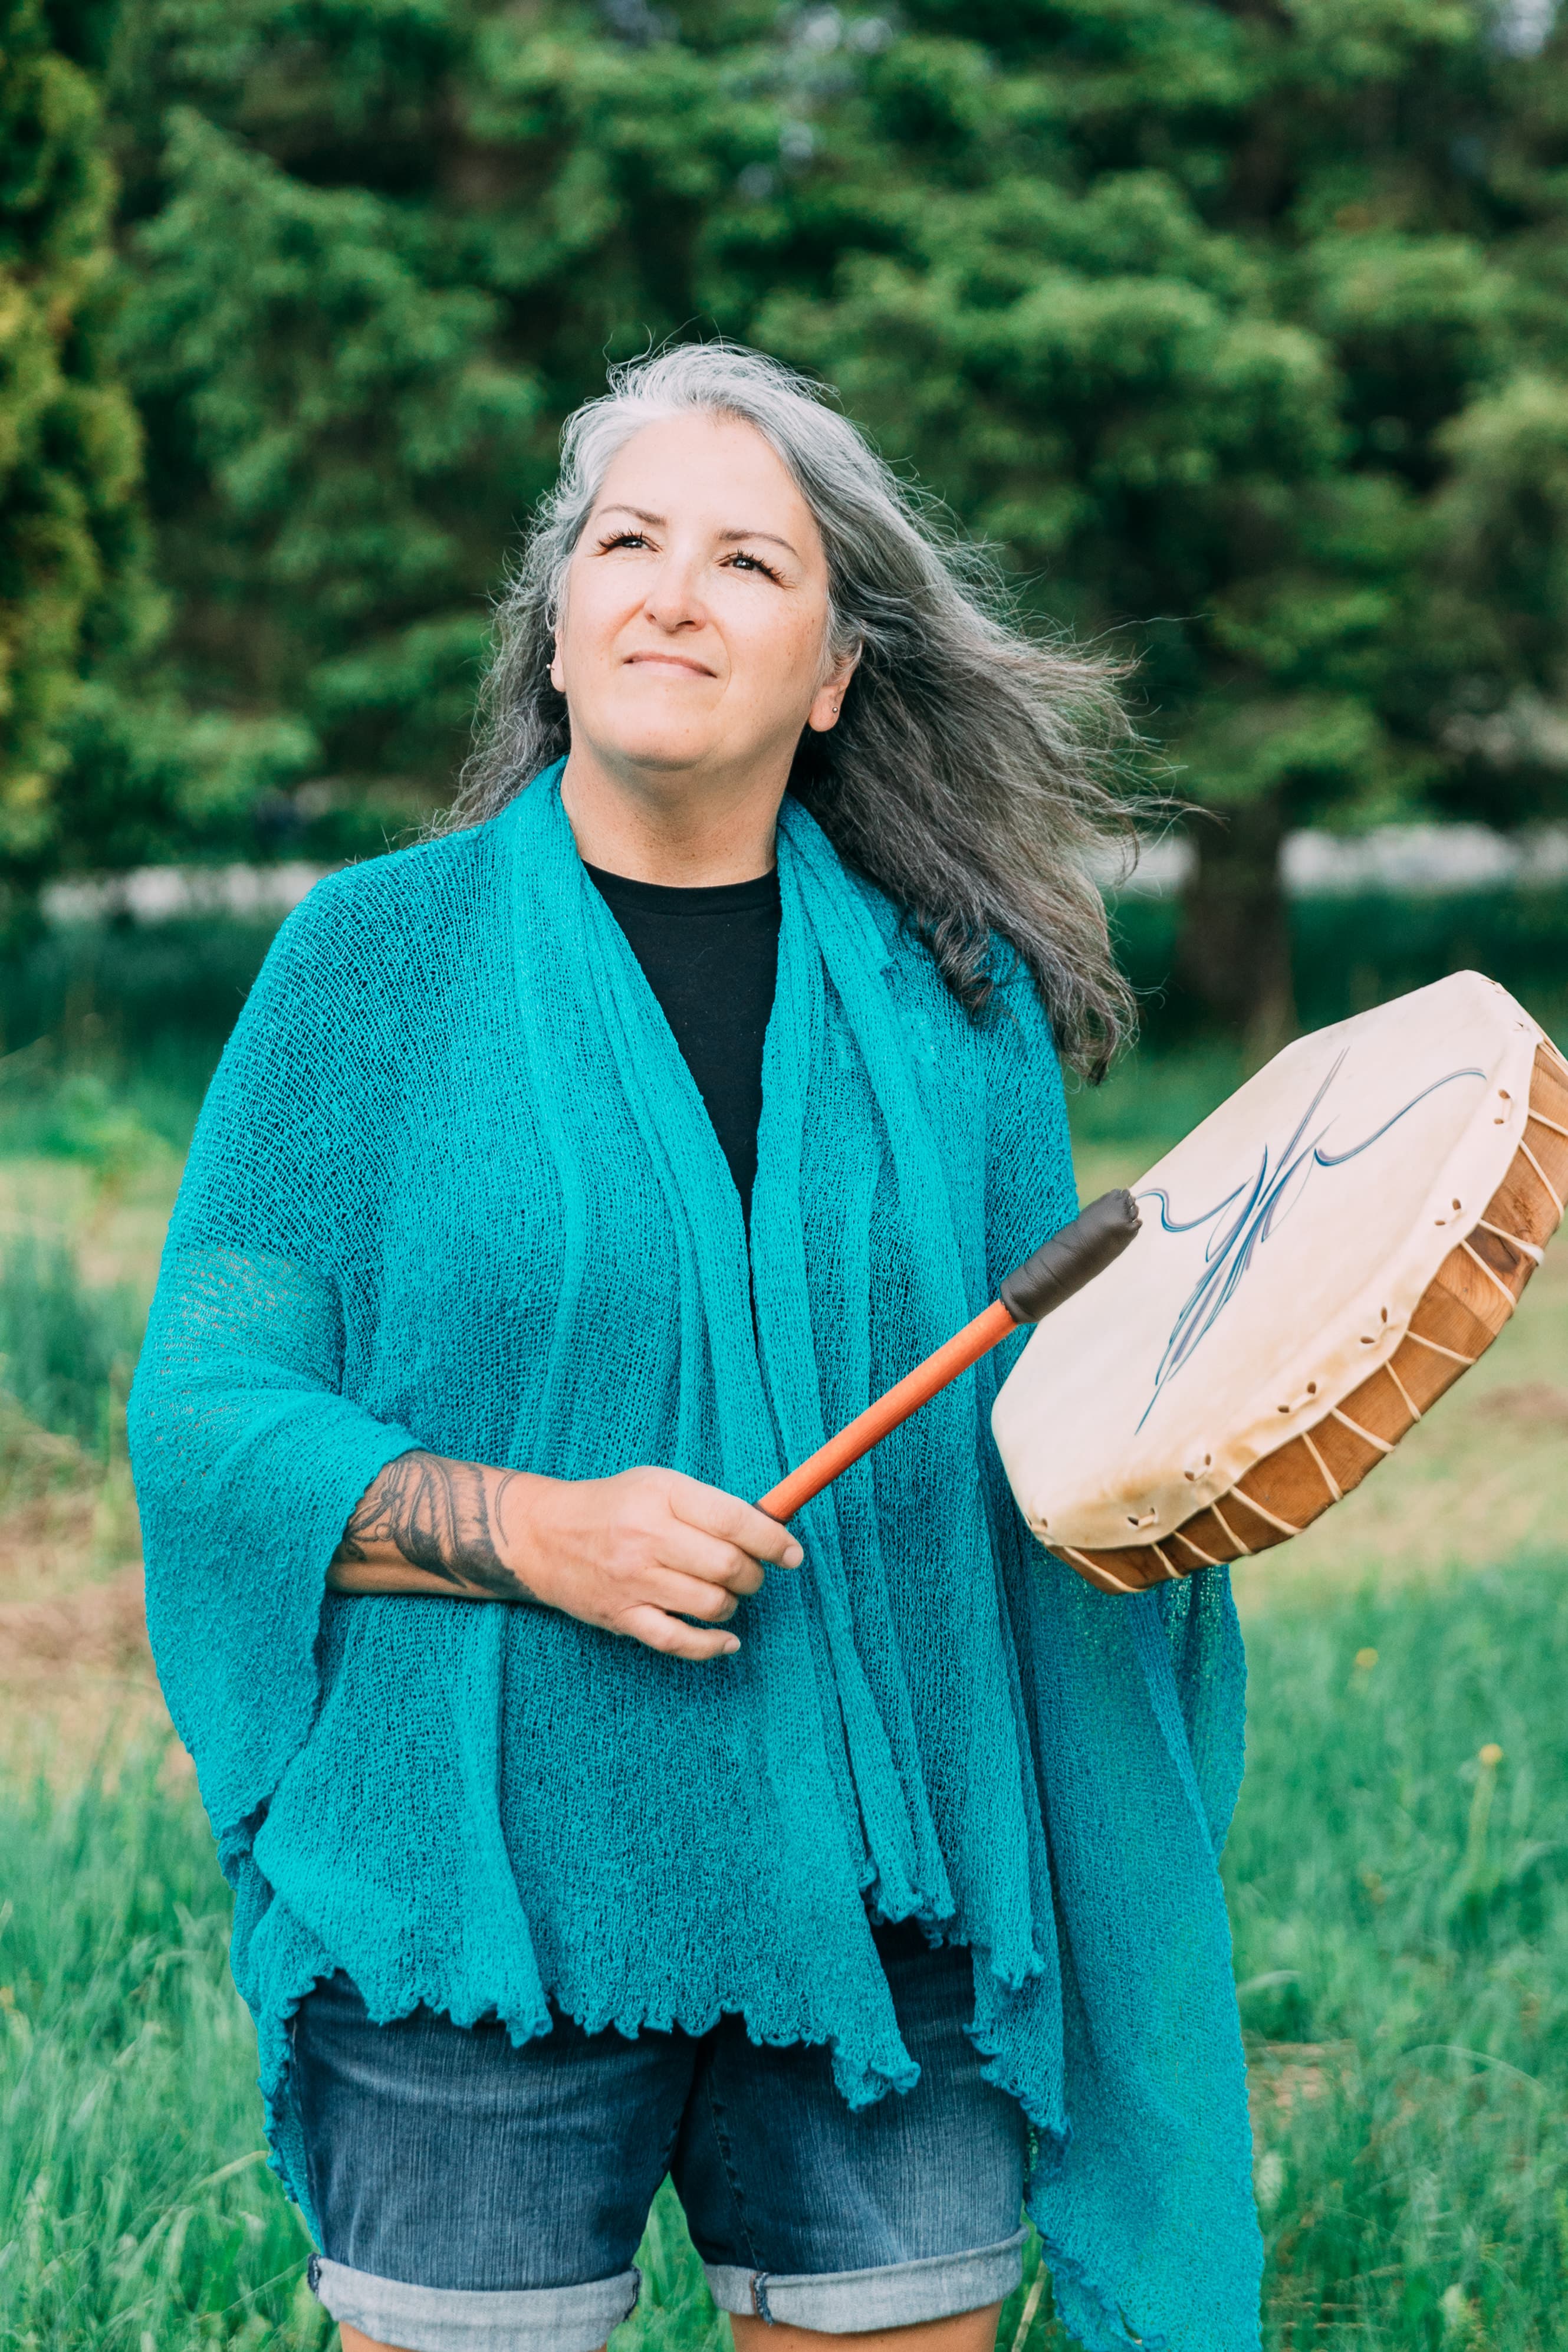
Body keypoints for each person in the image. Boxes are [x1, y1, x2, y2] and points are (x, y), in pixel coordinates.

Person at [130, 343, 1261, 2352]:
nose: (671, 592)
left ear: (832, 669)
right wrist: (536, 1531)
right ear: (555, 628)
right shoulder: (369, 963)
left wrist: (1217, 1433)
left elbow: (1039, 1433)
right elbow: (209, 1412)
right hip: (478, 1911)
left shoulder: (958, 1004)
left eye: (748, 561)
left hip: (887, 1900)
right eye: (625, 543)